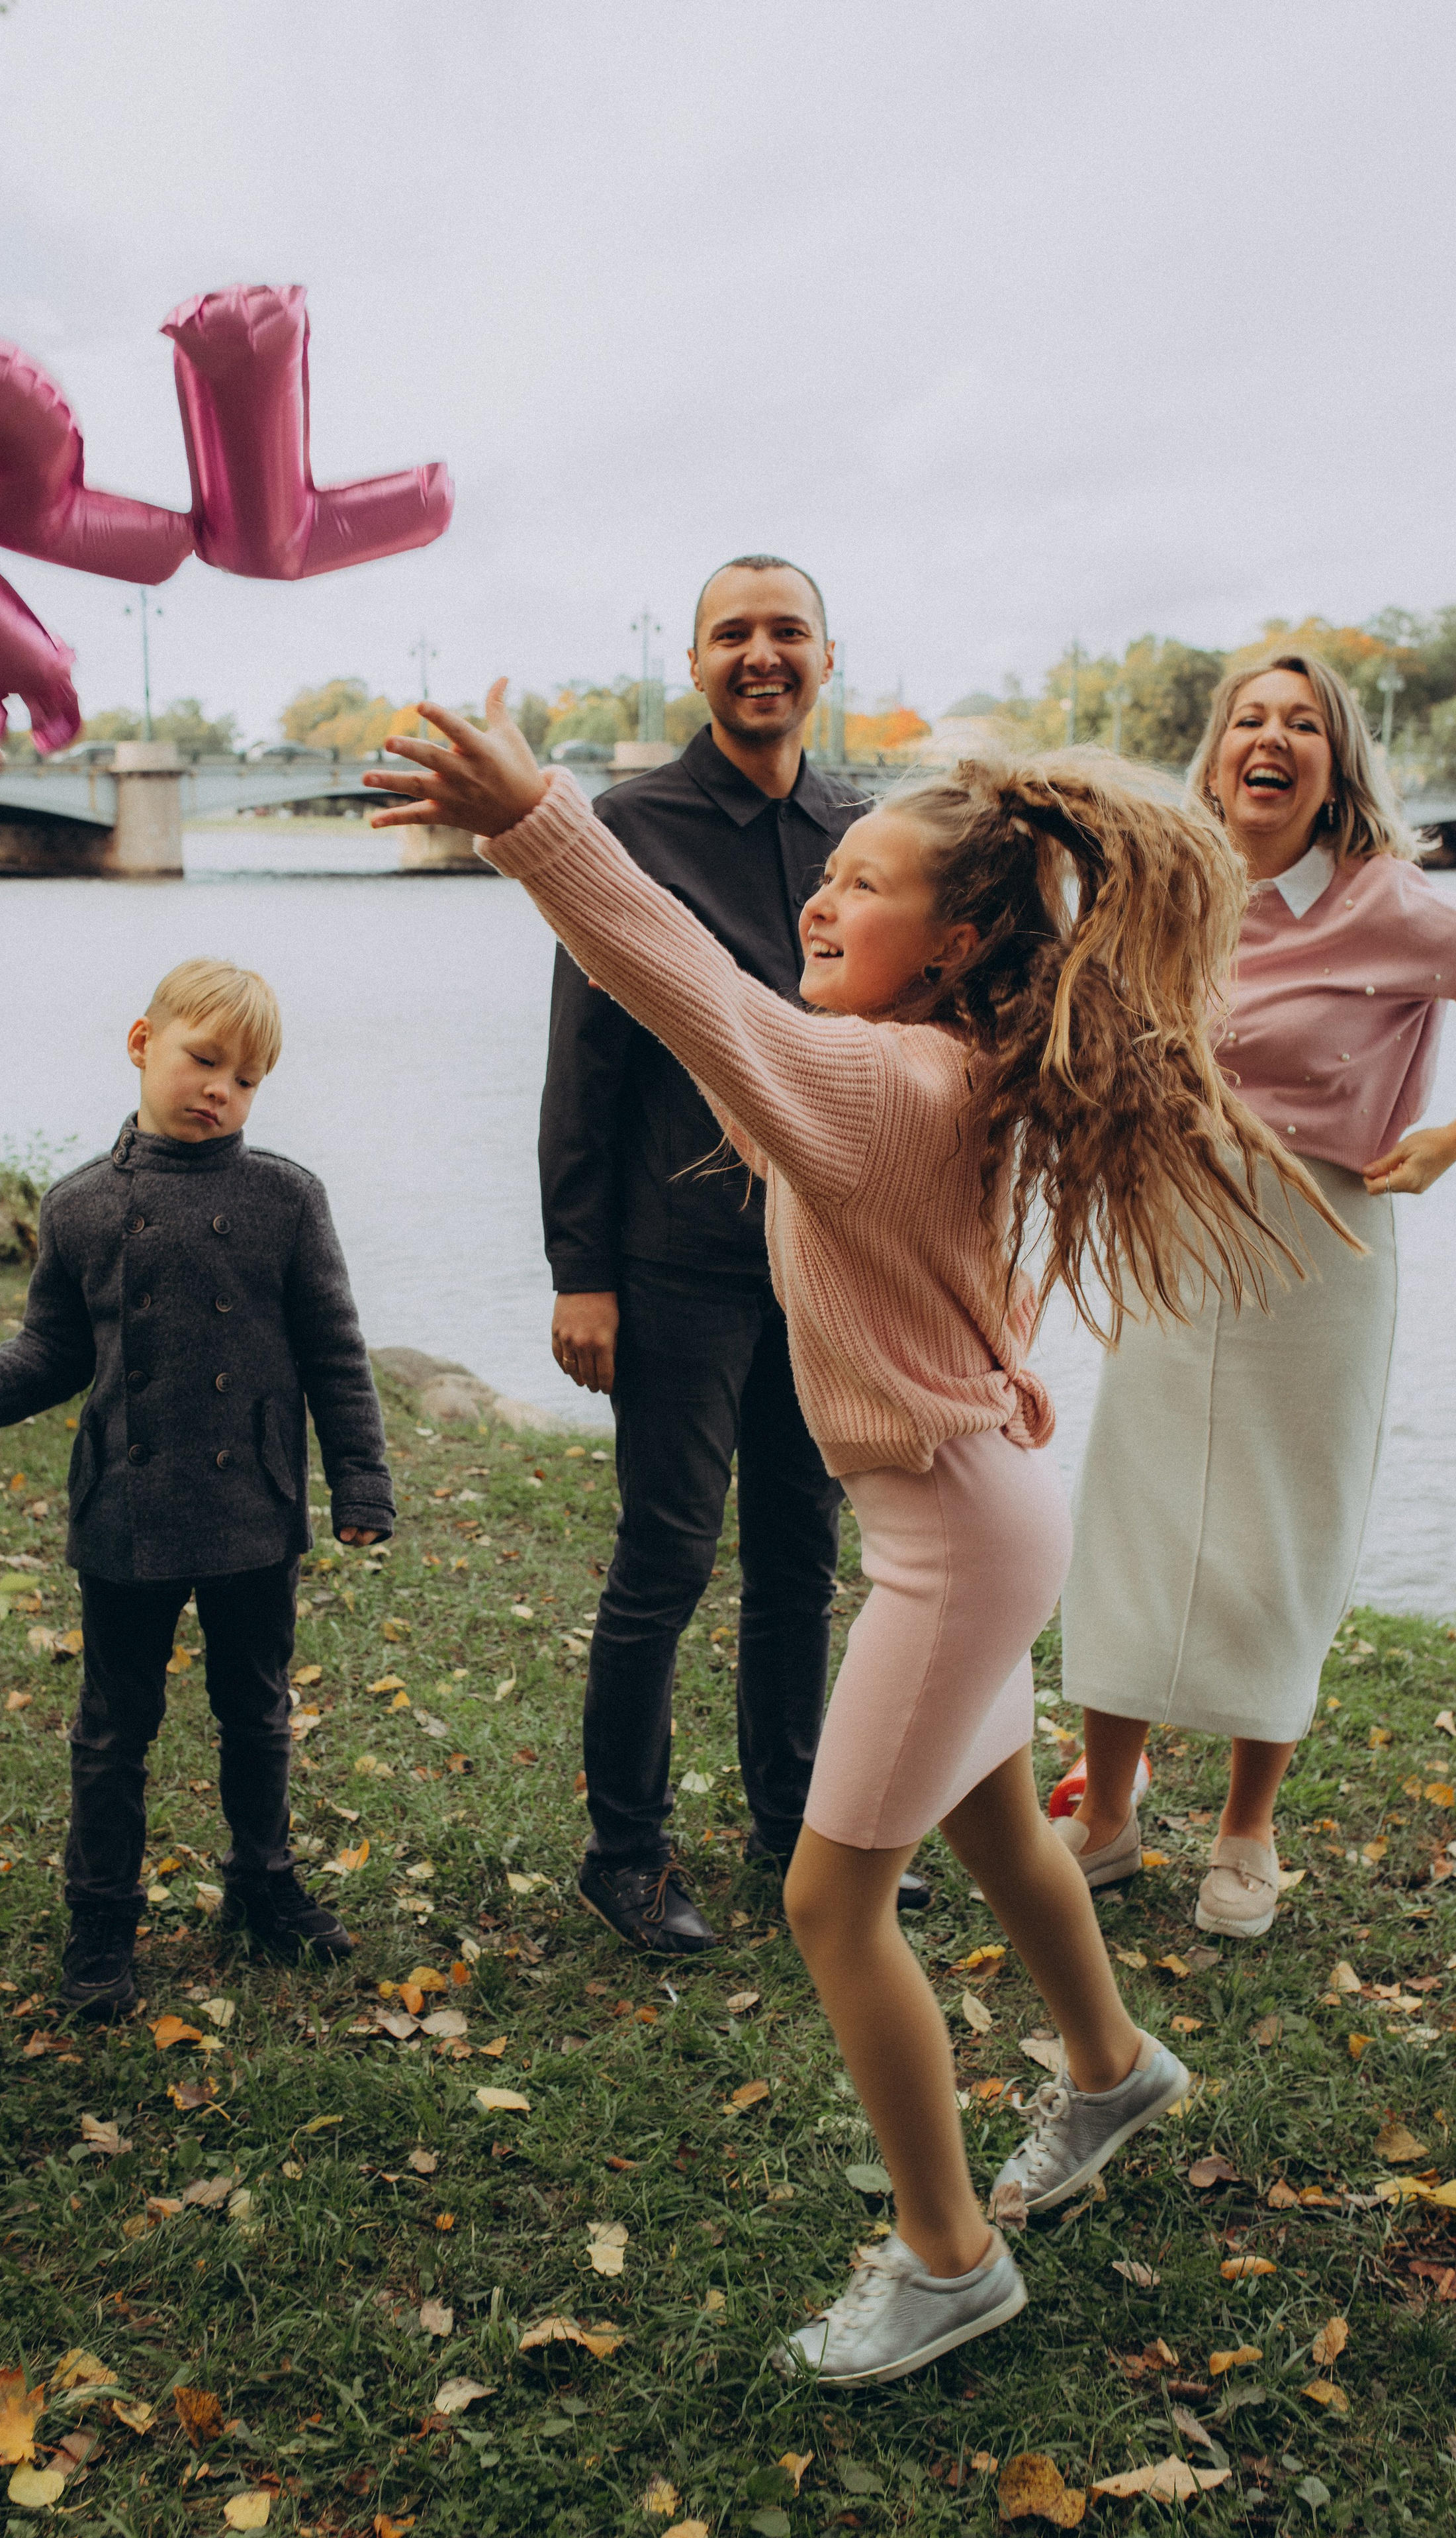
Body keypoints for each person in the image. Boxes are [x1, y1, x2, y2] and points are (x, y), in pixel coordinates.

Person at [367, 684, 1341, 2385]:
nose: (817, 901)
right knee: (991, 1831)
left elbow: (677, 980)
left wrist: (533, 816)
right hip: (972, 1508)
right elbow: (729, 1029)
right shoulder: (944, 1065)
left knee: (831, 1904)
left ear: (957, 939)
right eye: (826, 879)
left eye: (863, 887)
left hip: (951, 1538)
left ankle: (946, 2256)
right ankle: (1109, 2067)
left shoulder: (884, 1080)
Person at [1058, 654, 1456, 1938]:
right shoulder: (1168, 890)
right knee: (1131, 1512)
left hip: (1316, 1244)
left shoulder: (1387, 902)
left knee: (1282, 1528)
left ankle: (1245, 1830)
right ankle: (1105, 1816)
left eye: (1301, 723)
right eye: (1246, 721)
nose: (1269, 739)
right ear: (1213, 757)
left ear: (1332, 769)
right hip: (1172, 1230)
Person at [541, 555, 923, 1953]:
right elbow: (583, 1066)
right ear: (693, 666)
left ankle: (794, 1824)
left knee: (800, 1554)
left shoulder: (864, 832)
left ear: (827, 657)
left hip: (823, 1257)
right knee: (664, 1553)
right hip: (675, 1257)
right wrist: (579, 1269)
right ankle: (626, 1855)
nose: (759, 655)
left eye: (784, 633)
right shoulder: (627, 828)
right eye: (730, 636)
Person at [0, 958, 395, 2018]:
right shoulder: (78, 1209)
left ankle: (262, 1884)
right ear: (141, 1041)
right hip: (126, 1512)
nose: (221, 1091)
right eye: (204, 1060)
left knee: (256, 1713)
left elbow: (334, 1349)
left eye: (246, 1080)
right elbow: (54, 1352)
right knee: (115, 1727)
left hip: (251, 1504)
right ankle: (101, 1925)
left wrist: (360, 1479)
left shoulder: (286, 1198)